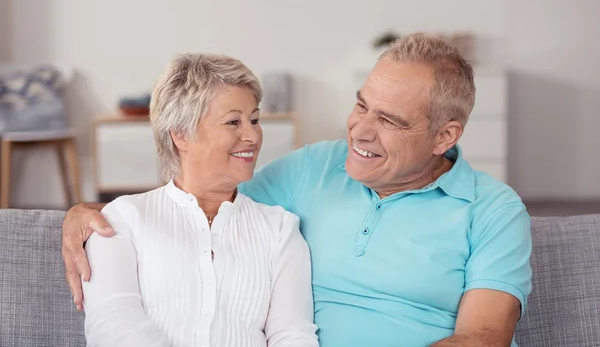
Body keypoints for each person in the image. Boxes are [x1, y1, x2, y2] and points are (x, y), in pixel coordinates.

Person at [63, 33, 532, 347]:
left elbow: (483, 338)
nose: (360, 131)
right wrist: (98, 213)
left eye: (388, 120)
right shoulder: (314, 168)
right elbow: (205, 201)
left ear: (445, 137)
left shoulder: (492, 210)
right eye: (362, 106)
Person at [78, 53, 318, 347]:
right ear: (181, 134)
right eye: (233, 122)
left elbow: (293, 335)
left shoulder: (280, 230)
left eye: (254, 120)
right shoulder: (122, 220)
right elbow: (113, 325)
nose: (253, 135)